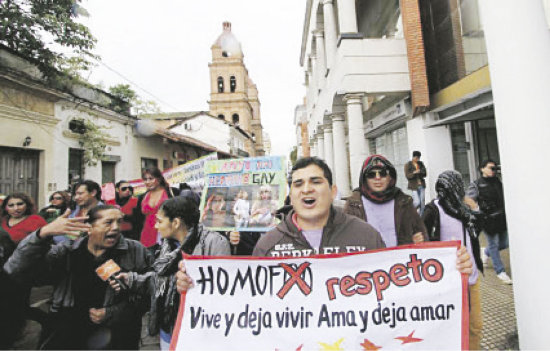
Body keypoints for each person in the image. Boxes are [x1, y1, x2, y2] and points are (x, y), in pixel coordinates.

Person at [178, 157, 473, 292]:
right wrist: (195, 285)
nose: (307, 189)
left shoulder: (366, 235)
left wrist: (445, 268)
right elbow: (247, 300)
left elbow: (397, 287)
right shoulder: (268, 244)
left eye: (316, 182)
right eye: (299, 184)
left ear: (332, 191)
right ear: (290, 194)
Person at [3, 205, 152, 350]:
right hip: (69, 328)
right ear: (89, 227)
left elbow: (150, 292)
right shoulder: (68, 251)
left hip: (116, 334)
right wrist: (42, 233)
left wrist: (112, 313)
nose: (116, 227)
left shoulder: (135, 251)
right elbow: (15, 268)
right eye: (108, 222)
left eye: (119, 221)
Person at [110, 196, 230, 350]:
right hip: (169, 326)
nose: (155, 226)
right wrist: (130, 279)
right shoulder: (167, 247)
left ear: (176, 223)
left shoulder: (214, 243)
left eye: (160, 221)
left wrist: (191, 283)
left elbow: (222, 288)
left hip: (199, 329)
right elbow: (158, 280)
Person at [422, 170, 483, 350]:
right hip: (449, 283)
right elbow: (423, 243)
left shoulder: (463, 209)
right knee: (452, 328)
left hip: (471, 278)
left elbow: (477, 230)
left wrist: (475, 209)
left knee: (475, 327)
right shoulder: (433, 210)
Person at [344, 154, 427, 247]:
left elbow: (421, 235)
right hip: (368, 260)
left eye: (382, 173)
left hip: (399, 260)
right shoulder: (353, 205)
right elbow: (344, 240)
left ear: (390, 177)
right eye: (371, 174)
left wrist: (417, 241)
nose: (377, 178)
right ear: (364, 179)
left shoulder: (404, 202)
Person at [0, 193, 47, 347]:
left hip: (24, 270)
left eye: (19, 204)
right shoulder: (3, 222)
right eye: (11, 205)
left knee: (18, 304)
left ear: (26, 204)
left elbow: (43, 245)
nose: (16, 208)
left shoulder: (36, 221)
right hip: (5, 269)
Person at [465, 159, 512, 284]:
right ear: (482, 169)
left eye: (494, 168)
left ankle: (485, 252)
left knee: (506, 242)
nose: (493, 170)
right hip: (488, 219)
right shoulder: (476, 184)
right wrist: (478, 211)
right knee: (494, 245)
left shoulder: (498, 181)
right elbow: (468, 199)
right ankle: (500, 271)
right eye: (490, 168)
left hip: (501, 217)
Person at [135, 168, 174, 248]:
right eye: (145, 179)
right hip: (147, 234)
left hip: (164, 233)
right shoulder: (142, 197)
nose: (148, 182)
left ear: (158, 179)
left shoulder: (171, 192)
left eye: (151, 179)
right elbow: (137, 219)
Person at [404, 150, 427, 215]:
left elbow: (425, 173)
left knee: (422, 203)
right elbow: (407, 175)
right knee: (417, 202)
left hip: (421, 185)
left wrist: (420, 172)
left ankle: (420, 218)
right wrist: (414, 172)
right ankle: (409, 212)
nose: (417, 159)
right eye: (416, 158)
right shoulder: (407, 165)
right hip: (414, 186)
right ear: (413, 157)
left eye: (419, 158)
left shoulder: (421, 164)